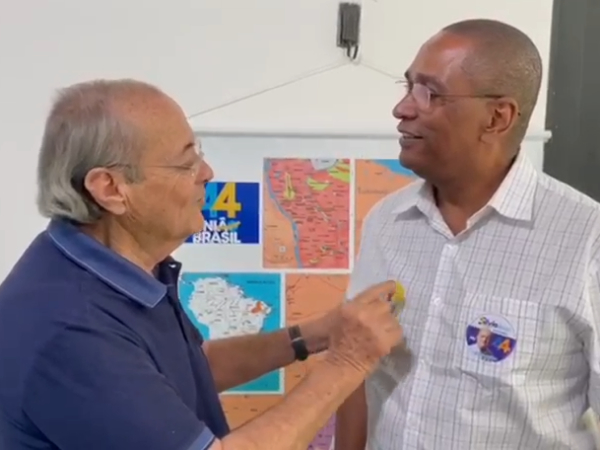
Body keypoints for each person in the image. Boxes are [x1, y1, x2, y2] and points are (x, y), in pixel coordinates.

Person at [0, 80, 404, 450]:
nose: (207, 174)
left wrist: (311, 336)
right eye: (186, 164)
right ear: (110, 188)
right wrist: (347, 362)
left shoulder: (116, 271)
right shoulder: (72, 327)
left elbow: (184, 373)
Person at [335, 18, 600, 450]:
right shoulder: (386, 221)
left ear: (497, 117)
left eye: (429, 93)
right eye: (408, 87)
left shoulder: (587, 239)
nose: (402, 109)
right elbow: (355, 372)